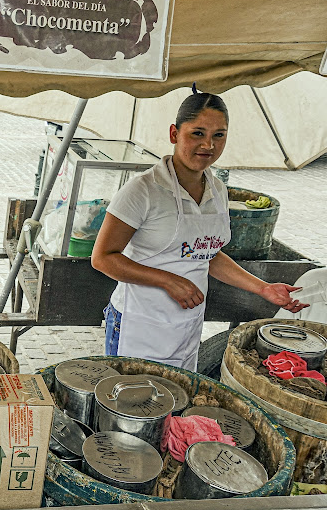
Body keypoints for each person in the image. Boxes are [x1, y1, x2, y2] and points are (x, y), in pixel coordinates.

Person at [91, 86, 307, 371]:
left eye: (219, 135)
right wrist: (167, 280)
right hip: (138, 322)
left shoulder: (217, 189)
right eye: (197, 133)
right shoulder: (143, 190)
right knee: (129, 404)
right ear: (174, 134)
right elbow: (103, 257)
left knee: (178, 401)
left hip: (186, 325)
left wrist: (263, 288)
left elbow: (208, 254)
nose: (208, 145)